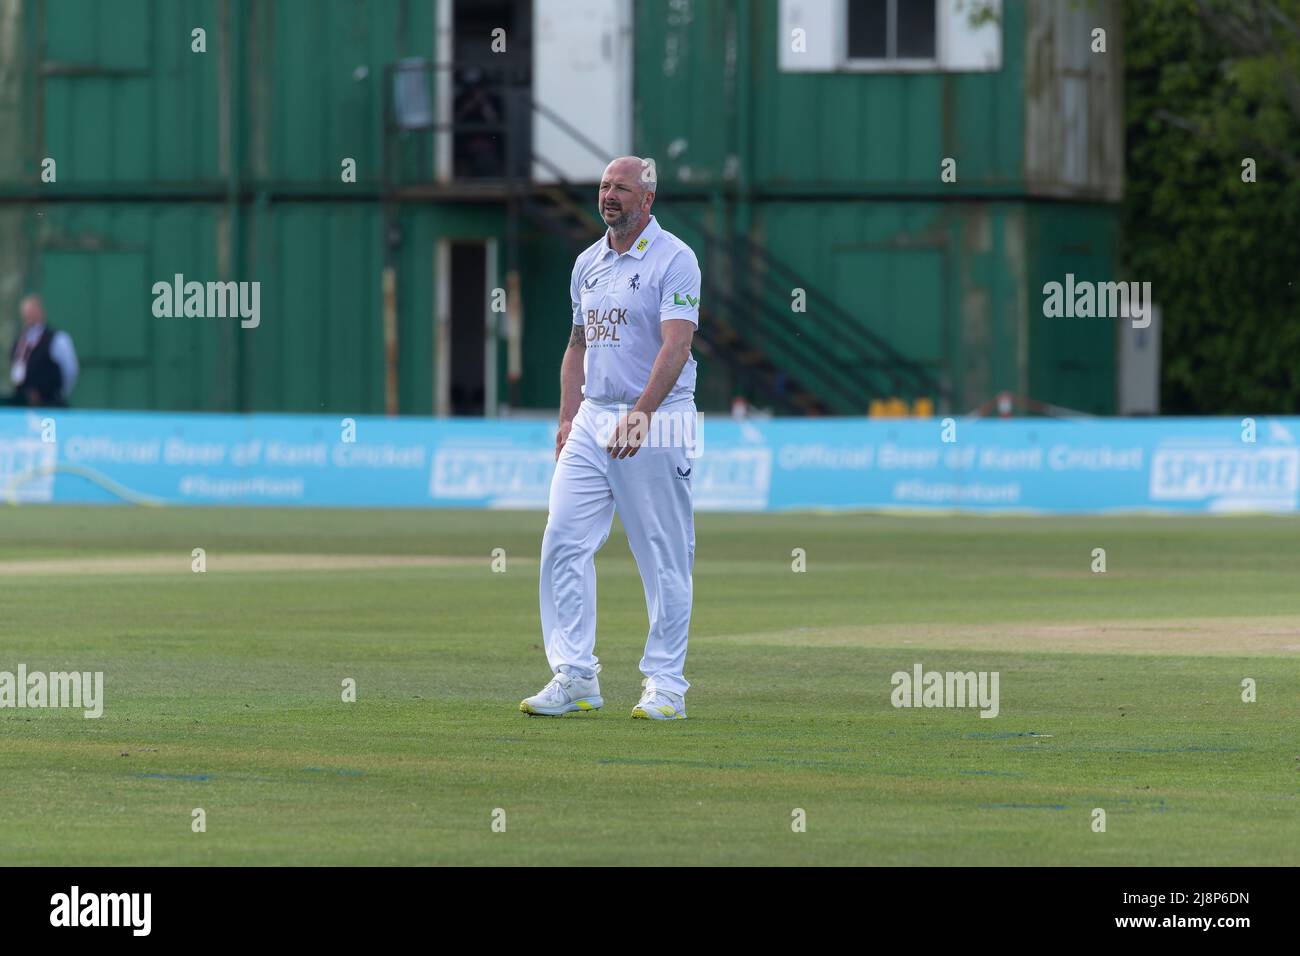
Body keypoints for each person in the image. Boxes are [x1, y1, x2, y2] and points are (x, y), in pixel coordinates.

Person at [521, 156, 701, 721]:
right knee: (563, 541)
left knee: (662, 554)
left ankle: (666, 685)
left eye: (621, 188)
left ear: (647, 199)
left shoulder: (676, 259)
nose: (608, 196)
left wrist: (644, 413)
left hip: (660, 415)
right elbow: (577, 345)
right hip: (594, 417)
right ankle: (575, 676)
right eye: (603, 186)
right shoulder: (587, 263)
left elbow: (677, 346)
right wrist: (567, 417)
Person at [6, 294, 79, 407]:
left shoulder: (57, 339)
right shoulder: (20, 341)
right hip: (24, 404)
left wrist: (56, 393)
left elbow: (70, 370)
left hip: (50, 403)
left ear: (40, 312)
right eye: (26, 313)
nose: (28, 316)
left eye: (31, 312)